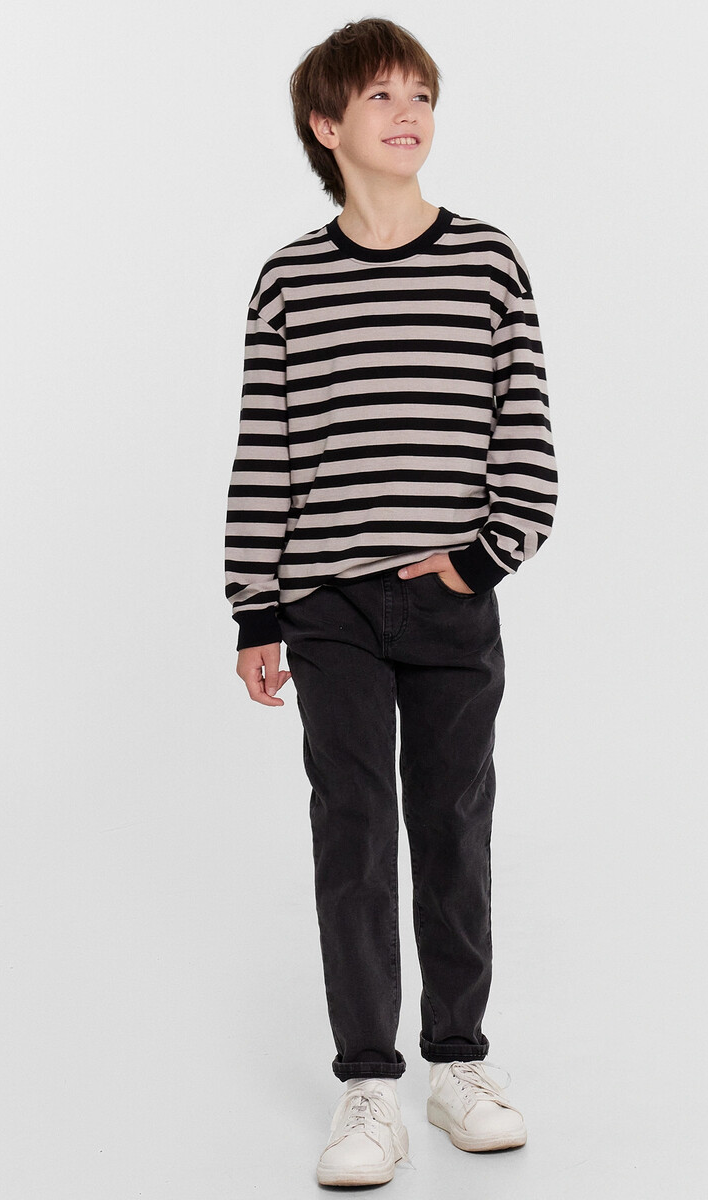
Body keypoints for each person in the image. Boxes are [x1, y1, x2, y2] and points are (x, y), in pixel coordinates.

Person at [224, 17, 558, 1188]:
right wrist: (255, 610)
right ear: (327, 126)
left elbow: (526, 432)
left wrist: (485, 556)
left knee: (454, 826)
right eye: (380, 96)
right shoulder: (291, 280)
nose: (409, 111)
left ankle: (459, 1064)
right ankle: (368, 1086)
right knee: (355, 831)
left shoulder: (487, 261)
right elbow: (266, 453)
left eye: (421, 93)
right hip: (329, 607)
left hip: (452, 605)